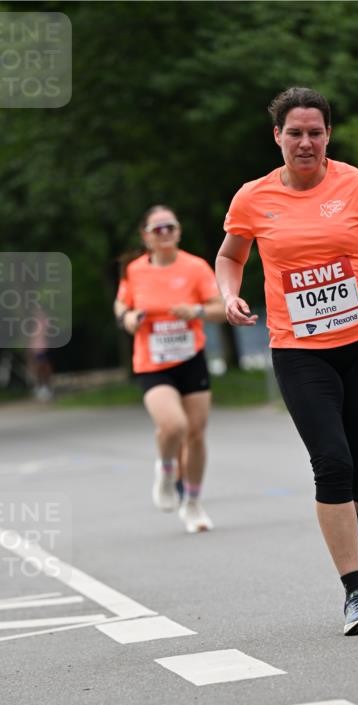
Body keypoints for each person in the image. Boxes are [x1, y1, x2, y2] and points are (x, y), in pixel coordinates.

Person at [216, 87, 358, 635]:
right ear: (277, 136)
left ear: (328, 135)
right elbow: (231, 255)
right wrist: (228, 294)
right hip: (298, 349)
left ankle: (357, 515)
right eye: (295, 132)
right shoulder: (253, 198)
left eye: (315, 132)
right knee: (331, 463)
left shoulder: (357, 185)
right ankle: (356, 592)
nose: (305, 142)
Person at [114, 205, 226, 533]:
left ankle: (192, 503)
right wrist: (128, 318)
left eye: (170, 227)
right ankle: (166, 471)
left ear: (178, 231)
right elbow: (121, 303)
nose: (165, 233)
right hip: (153, 363)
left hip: (191, 359)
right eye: (157, 229)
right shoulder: (135, 271)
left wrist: (196, 311)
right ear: (145, 236)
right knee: (174, 426)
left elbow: (221, 309)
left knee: (196, 434)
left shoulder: (195, 267)